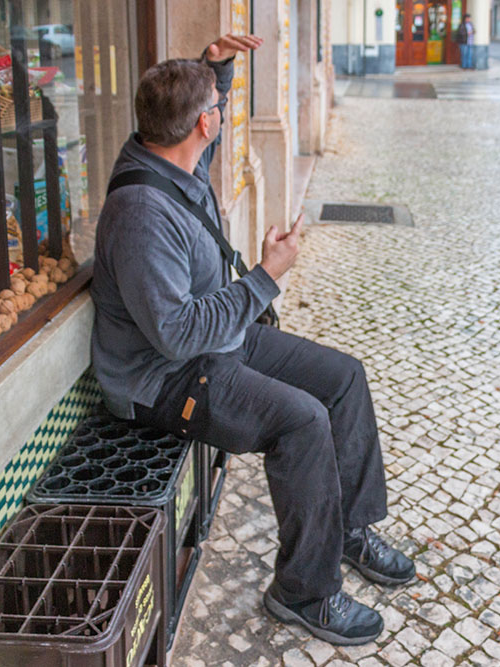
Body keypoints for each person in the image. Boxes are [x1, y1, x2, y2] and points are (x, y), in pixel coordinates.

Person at [90, 34, 416, 647]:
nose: (220, 113)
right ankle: (304, 593)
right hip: (165, 380)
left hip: (219, 344)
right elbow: (177, 334)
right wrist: (266, 277)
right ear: (204, 124)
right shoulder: (140, 213)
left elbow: (201, 117)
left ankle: (345, 529)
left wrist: (218, 67)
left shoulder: (168, 157)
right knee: (302, 421)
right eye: (217, 105)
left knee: (343, 377)